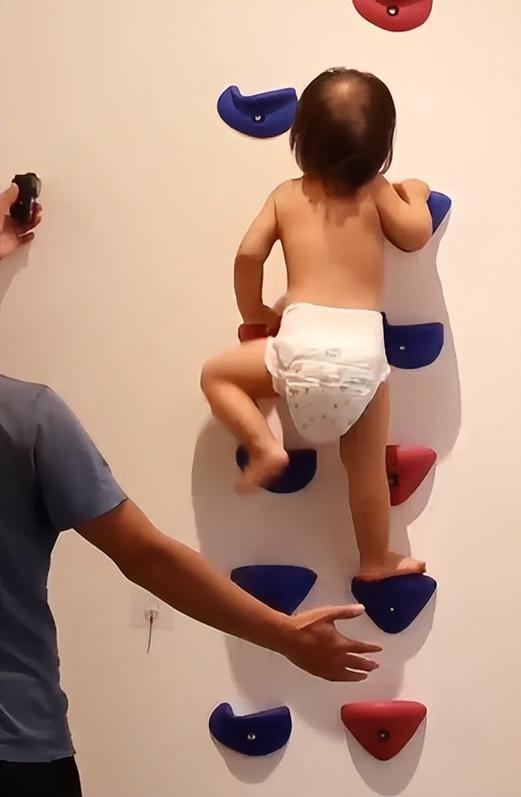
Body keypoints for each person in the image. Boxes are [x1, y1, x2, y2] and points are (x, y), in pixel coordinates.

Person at [0, 182, 381, 797]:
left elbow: (249, 256)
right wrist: (283, 635)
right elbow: (148, 557)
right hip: (16, 750)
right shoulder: (27, 419)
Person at [201, 68, 433, 582]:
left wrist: (255, 312)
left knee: (216, 375)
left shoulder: (287, 195)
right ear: (382, 148)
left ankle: (263, 444)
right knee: (365, 466)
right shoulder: (377, 191)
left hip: (299, 345)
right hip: (362, 354)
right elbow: (415, 235)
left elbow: (248, 253)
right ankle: (375, 558)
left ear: (300, 138)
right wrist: (415, 193)